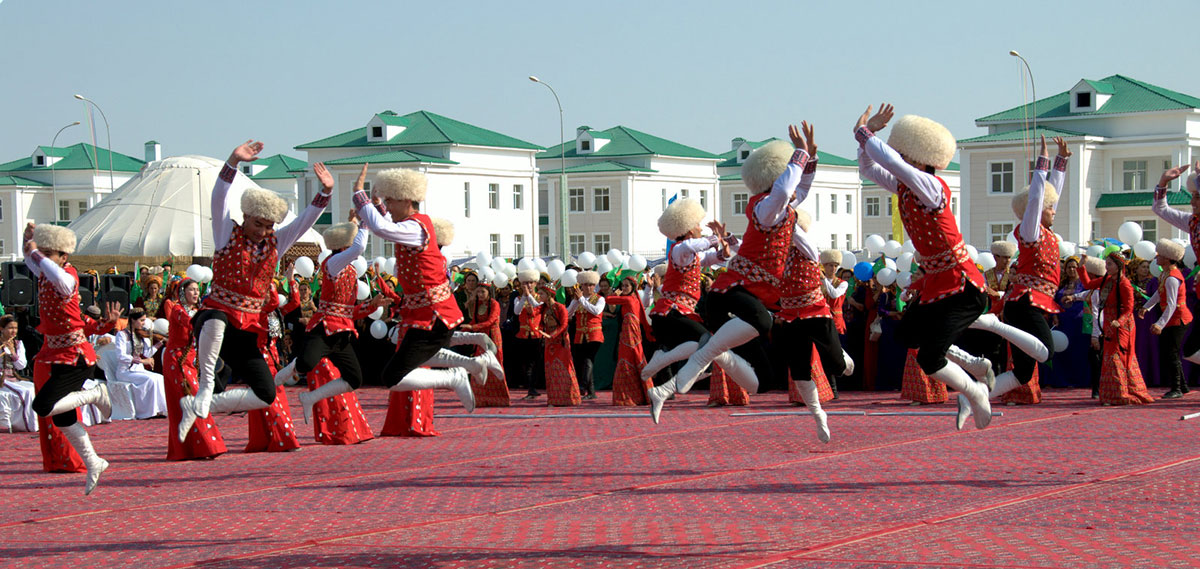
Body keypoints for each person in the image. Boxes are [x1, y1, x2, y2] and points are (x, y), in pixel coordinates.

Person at [178, 140, 333, 441]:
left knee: (266, 393)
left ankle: (203, 402)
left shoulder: (276, 243)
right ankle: (206, 385)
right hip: (216, 314)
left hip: (248, 328)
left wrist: (324, 193)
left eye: (269, 226)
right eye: (258, 224)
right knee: (215, 320)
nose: (263, 231)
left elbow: (302, 223)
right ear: (246, 216)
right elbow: (218, 199)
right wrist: (232, 162)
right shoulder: (226, 233)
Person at [854, 104, 994, 430]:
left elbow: (887, 160)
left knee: (930, 358)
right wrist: (864, 140)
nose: (899, 156)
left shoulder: (931, 187)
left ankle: (974, 393)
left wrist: (864, 132)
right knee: (906, 335)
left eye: (904, 152)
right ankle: (974, 367)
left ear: (919, 157)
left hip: (962, 287)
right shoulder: (906, 187)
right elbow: (868, 169)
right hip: (937, 284)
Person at [673, 123, 816, 400]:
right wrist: (799, 154)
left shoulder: (783, 211)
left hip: (751, 294)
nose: (795, 188)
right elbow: (786, 190)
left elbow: (801, 189)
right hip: (731, 292)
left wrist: (809, 156)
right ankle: (702, 356)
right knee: (763, 321)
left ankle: (715, 357)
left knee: (763, 383)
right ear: (775, 179)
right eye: (787, 178)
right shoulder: (765, 208)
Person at [351, 165, 477, 410]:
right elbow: (386, 223)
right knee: (405, 367)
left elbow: (382, 228)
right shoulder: (412, 224)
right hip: (425, 314)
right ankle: (470, 365)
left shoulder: (414, 226)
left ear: (406, 199)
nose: (388, 206)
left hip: (434, 314)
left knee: (393, 376)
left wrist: (359, 194)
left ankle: (456, 375)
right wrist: (377, 205)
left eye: (390, 201)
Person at [25, 223, 118, 494]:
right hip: (55, 354)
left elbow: (56, 274)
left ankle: (96, 393)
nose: (41, 256)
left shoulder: (68, 276)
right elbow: (30, 260)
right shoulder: (46, 275)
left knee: (42, 407)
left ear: (63, 256)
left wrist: (36, 253)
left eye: (49, 252)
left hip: (75, 357)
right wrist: (28, 242)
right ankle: (94, 462)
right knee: (62, 419)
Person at [280, 218, 391, 423]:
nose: (352, 249)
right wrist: (365, 222)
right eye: (348, 245)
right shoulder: (332, 264)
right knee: (305, 364)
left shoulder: (349, 271)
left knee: (355, 379)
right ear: (342, 246)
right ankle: (281, 378)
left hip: (342, 332)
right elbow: (359, 247)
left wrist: (373, 304)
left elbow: (349, 312)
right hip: (324, 327)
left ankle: (310, 397)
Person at [641, 197, 732, 421]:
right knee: (708, 343)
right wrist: (716, 237)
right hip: (671, 312)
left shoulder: (690, 254)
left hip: (677, 314)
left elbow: (711, 257)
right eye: (698, 225)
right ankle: (668, 364)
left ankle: (665, 366)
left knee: (702, 346)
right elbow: (696, 246)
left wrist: (724, 249)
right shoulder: (681, 249)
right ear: (688, 228)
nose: (701, 228)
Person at [773, 202, 855, 443]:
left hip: (816, 313)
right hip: (790, 316)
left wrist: (784, 212)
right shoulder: (780, 254)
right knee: (799, 372)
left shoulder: (808, 247)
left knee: (839, 367)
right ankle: (819, 415)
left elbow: (795, 232)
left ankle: (843, 356)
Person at [1072, 252, 1154, 405]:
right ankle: (1111, 395)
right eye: (1106, 264)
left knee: (1118, 356)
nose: (1106, 267)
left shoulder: (1125, 284)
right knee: (1109, 357)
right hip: (1110, 324)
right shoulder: (1107, 281)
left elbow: (1129, 308)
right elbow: (1088, 285)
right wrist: (1082, 266)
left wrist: (1119, 321)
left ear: (1119, 266)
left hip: (1122, 326)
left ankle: (1122, 393)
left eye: (1109, 264)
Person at [162, 279, 226, 460]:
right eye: (191, 290)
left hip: (189, 361)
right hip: (176, 362)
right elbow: (192, 324)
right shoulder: (177, 310)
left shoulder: (197, 311)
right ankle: (207, 446)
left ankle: (194, 448)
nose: (195, 293)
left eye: (197, 290)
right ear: (182, 293)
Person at [1151, 161, 1200, 393]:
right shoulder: (1192, 222)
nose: (1192, 202)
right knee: (1190, 350)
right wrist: (1163, 182)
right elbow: (1161, 210)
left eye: (1197, 197)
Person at [1139, 239, 1192, 399]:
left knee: (1172, 353)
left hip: (1178, 320)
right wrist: (1146, 307)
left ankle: (1177, 388)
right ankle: (1182, 385)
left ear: (1168, 259)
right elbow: (1158, 294)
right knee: (1171, 353)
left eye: (1160, 255)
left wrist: (1160, 324)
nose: (1156, 258)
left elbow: (1171, 305)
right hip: (1172, 318)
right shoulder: (1165, 274)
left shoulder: (1171, 278)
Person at [111, 308, 168, 419]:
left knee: (159, 378)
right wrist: (142, 361)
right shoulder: (121, 335)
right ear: (132, 320)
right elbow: (120, 356)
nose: (143, 323)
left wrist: (160, 343)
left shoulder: (139, 334)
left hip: (138, 370)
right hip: (125, 371)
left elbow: (147, 353)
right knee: (150, 380)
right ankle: (146, 412)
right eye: (141, 320)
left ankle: (159, 410)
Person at [459, 284, 510, 406]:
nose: (480, 295)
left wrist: (472, 327)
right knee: (479, 365)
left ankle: (500, 399)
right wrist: (463, 331)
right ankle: (480, 399)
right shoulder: (477, 304)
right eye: (478, 292)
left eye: (482, 292)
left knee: (494, 365)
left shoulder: (494, 304)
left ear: (489, 292)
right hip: (481, 337)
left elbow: (491, 321)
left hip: (492, 337)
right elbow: (474, 321)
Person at [566, 270, 605, 400]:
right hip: (580, 334)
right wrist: (576, 301)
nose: (588, 287)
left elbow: (596, 311)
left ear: (594, 286)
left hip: (594, 334)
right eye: (585, 285)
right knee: (585, 361)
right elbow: (567, 313)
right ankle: (591, 391)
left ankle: (583, 386)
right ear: (581, 286)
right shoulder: (578, 300)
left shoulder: (600, 299)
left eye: (591, 285)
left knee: (588, 359)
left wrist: (581, 299)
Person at [540, 282, 580, 406]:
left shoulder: (560, 307)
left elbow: (564, 325)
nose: (539, 295)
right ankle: (553, 399)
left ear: (548, 294)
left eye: (541, 293)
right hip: (549, 342)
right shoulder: (543, 308)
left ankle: (569, 398)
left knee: (563, 368)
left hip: (560, 341)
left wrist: (553, 335)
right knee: (550, 370)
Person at [512, 270, 544, 400]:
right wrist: (524, 296)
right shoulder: (518, 298)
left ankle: (534, 387)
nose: (529, 285)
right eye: (525, 283)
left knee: (536, 362)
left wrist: (529, 296)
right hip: (523, 335)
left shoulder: (540, 297)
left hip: (536, 334)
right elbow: (516, 311)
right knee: (526, 363)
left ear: (535, 283)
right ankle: (530, 388)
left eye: (531, 282)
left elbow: (539, 307)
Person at [0, 315, 36, 431]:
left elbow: (22, 365)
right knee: (25, 391)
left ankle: (35, 424)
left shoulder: (18, 344)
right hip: (2, 378)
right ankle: (26, 425)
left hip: (13, 377)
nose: (13, 331)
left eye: (15, 328)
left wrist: (13, 353)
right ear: (2, 329)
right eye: (10, 328)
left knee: (33, 388)